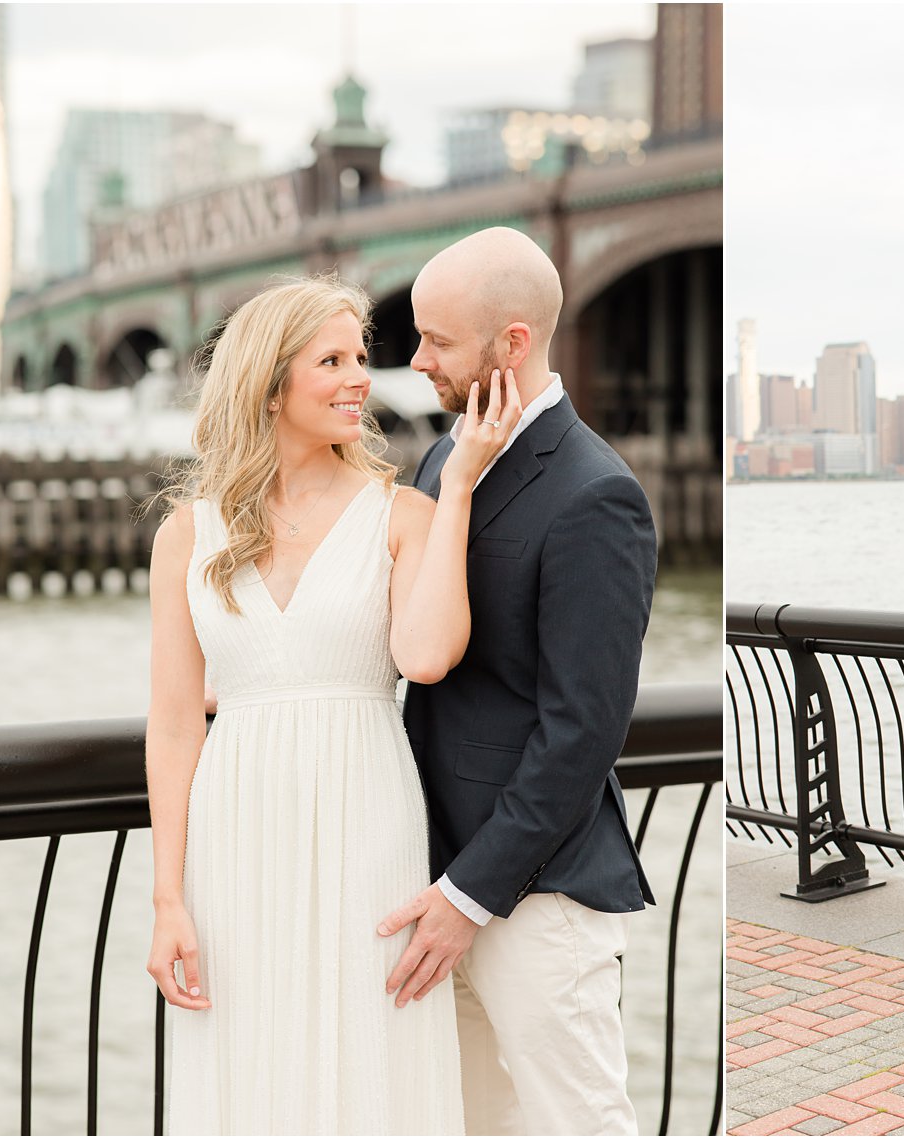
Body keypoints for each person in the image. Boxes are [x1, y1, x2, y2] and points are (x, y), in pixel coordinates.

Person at [144, 273, 521, 1134]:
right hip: (234, 835)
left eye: (362, 356)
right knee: (249, 1067)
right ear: (270, 385)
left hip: (366, 821)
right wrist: (169, 898)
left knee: (368, 1064)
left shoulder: (406, 513)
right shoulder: (185, 534)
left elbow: (426, 658)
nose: (360, 376)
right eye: (332, 360)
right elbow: (171, 726)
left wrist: (459, 483)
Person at [372, 227, 658, 1136]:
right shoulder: (440, 460)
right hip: (428, 882)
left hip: (536, 899)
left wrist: (470, 897)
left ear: (513, 343)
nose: (415, 359)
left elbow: (582, 732)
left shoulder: (594, 493)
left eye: (437, 341)